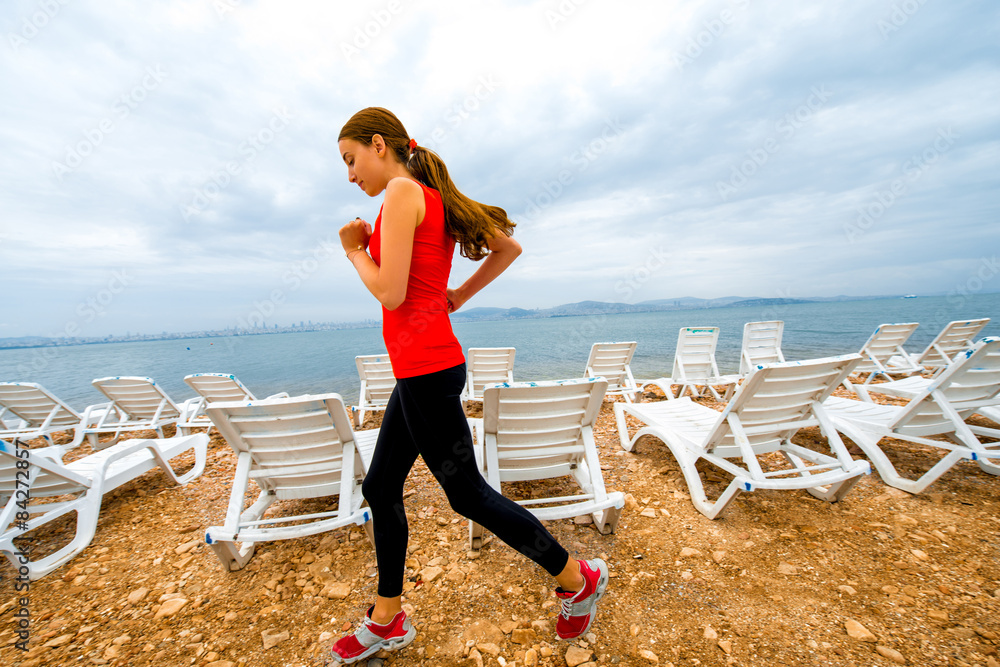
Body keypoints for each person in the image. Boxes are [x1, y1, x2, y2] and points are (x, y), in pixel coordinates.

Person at [329, 107, 609, 664]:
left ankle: (577, 577)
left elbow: (389, 293)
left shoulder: (404, 194)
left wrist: (354, 250)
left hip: (428, 369)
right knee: (381, 488)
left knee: (467, 495)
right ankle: (387, 618)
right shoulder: (423, 197)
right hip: (419, 368)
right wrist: (456, 297)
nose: (350, 173)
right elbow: (508, 247)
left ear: (378, 145)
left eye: (351, 159)